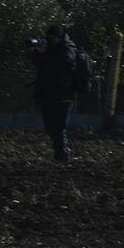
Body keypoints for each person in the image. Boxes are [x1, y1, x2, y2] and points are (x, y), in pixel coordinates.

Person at [32, 25, 93, 162]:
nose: (50, 41)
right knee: (50, 126)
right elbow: (36, 63)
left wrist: (45, 54)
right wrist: (38, 52)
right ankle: (60, 151)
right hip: (47, 92)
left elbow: (62, 65)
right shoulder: (49, 50)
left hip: (63, 93)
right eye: (49, 38)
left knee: (59, 126)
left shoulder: (68, 49)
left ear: (59, 37)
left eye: (52, 38)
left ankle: (62, 154)